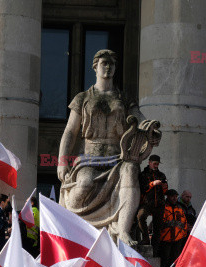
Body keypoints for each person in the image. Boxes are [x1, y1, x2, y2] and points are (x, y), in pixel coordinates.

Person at [58, 49, 160, 245]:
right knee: (85, 183)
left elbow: (140, 119)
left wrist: (151, 129)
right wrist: (62, 161)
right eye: (104, 63)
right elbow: (70, 132)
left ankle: (122, 230)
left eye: (112, 64)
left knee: (130, 171)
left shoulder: (124, 98)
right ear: (95, 67)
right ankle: (71, 227)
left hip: (118, 156)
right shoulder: (83, 98)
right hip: (90, 156)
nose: (108, 67)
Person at [137, 155, 168, 247]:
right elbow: (142, 188)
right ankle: (145, 239)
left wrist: (164, 187)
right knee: (140, 217)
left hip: (159, 204)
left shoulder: (161, 175)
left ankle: (155, 247)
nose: (156, 166)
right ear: (149, 162)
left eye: (157, 164)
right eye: (154, 164)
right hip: (147, 203)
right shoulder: (143, 174)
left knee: (157, 228)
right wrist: (152, 184)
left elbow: (165, 191)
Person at [158, 189, 188, 267]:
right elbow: (159, 223)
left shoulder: (179, 209)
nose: (175, 198)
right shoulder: (163, 208)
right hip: (165, 239)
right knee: (165, 259)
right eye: (172, 196)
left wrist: (182, 235)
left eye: (176, 196)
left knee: (174, 261)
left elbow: (184, 223)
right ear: (168, 196)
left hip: (178, 240)